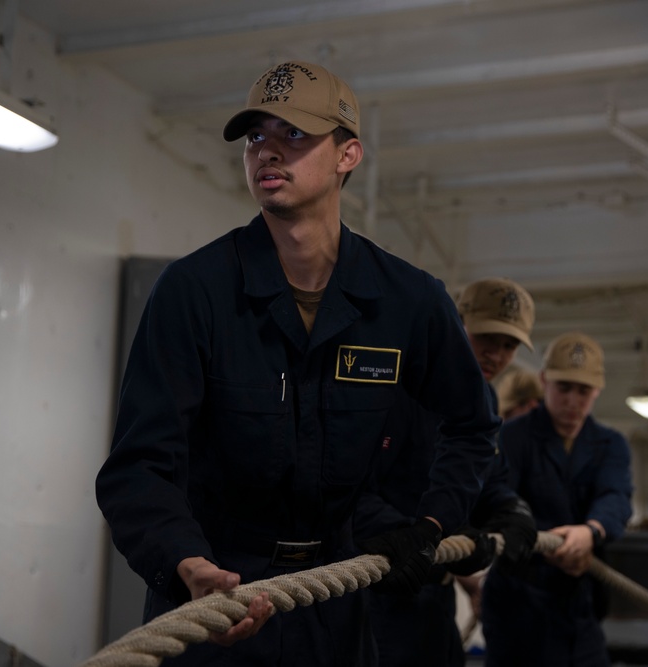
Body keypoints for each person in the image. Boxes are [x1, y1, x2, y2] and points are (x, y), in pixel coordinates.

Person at [94, 60, 500, 667]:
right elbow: (137, 467)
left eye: (295, 135)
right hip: (215, 602)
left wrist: (433, 522)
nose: (268, 153)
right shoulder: (194, 292)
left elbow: (472, 424)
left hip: (337, 606)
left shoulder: (407, 301)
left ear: (348, 155)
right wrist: (186, 565)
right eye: (257, 136)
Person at [353, 277, 539, 667]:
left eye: (509, 346)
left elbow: (486, 478)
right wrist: (423, 533)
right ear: (458, 324)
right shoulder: (402, 385)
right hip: (383, 590)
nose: (497, 355)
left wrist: (512, 510)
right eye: (487, 338)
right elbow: (354, 488)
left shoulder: (483, 398)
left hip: (436, 595)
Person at [480, 332, 634, 667]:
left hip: (579, 604)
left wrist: (590, 531)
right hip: (517, 603)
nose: (572, 401)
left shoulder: (611, 445)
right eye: (564, 388)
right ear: (544, 380)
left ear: (597, 391)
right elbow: (498, 499)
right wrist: (551, 542)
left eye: (583, 391)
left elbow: (616, 497)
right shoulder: (512, 437)